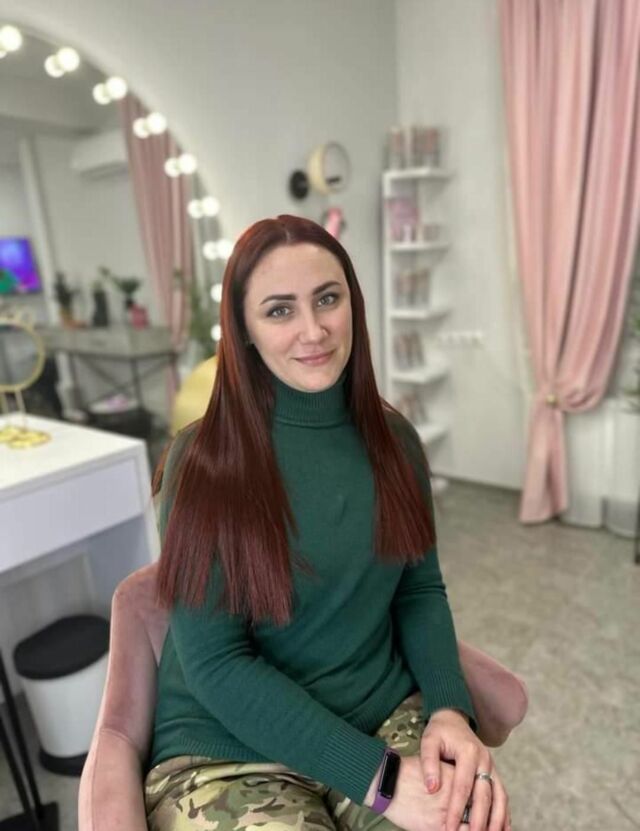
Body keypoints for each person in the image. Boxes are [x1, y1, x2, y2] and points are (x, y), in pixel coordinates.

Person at [146, 215, 511, 831]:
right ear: (244, 331)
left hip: (377, 712)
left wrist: (451, 709)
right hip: (229, 747)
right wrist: (380, 779)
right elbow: (217, 665)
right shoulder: (202, 461)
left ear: (353, 305)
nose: (313, 330)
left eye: (327, 299)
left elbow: (418, 590)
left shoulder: (394, 441)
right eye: (279, 310)